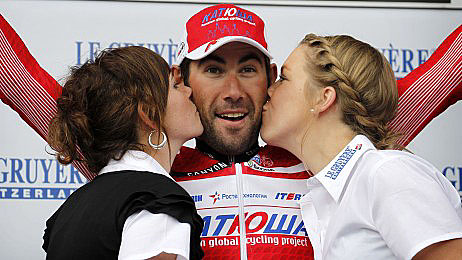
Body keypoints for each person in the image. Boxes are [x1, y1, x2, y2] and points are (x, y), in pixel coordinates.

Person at [1, 5, 462, 259]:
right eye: (214, 69)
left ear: (270, 82)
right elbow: (20, 78)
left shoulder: (323, 162)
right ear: (181, 83)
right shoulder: (146, 171)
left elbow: (444, 72)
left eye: (249, 69)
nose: (234, 90)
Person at [261, 34, 462, 259]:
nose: (268, 90)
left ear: (323, 98)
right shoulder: (332, 194)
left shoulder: (387, 174)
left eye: (283, 78)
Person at [42, 46, 204, 259]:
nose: (188, 91)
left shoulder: (75, 205)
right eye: (175, 87)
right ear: (148, 113)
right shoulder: (156, 200)